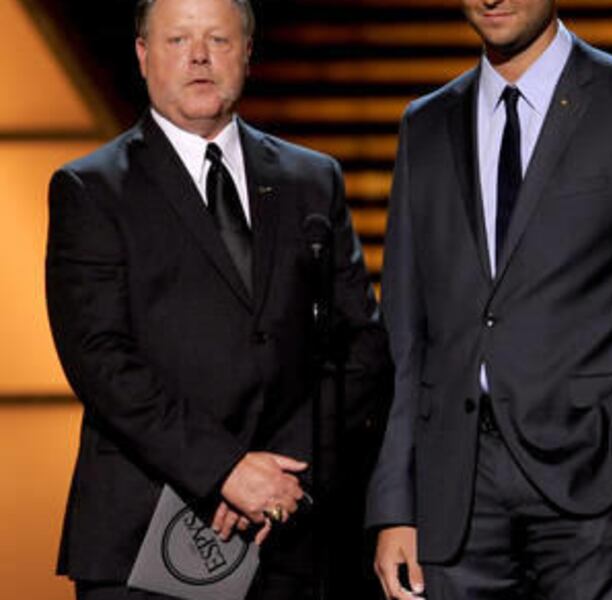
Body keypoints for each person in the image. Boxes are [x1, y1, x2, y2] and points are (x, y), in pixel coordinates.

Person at [366, 1, 612, 598]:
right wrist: (395, 502)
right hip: (454, 488)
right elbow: (407, 332)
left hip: (595, 481)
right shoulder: (427, 124)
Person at [46, 0, 390, 598]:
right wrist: (224, 469)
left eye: (219, 40)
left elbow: (361, 345)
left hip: (289, 527)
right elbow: (99, 359)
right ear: (143, 54)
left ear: (248, 52)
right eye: (179, 40)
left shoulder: (313, 178)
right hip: (145, 534)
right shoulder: (92, 189)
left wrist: (280, 470)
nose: (200, 57)